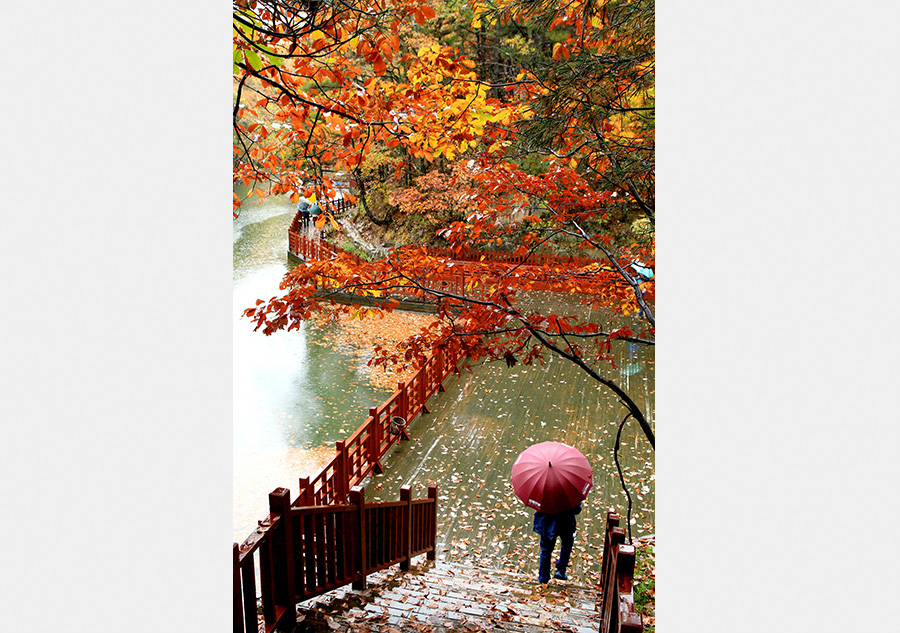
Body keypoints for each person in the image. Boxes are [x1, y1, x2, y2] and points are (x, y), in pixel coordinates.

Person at [532, 503, 581, 583]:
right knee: (567, 543)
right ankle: (561, 570)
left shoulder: (544, 495)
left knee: (546, 549)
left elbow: (537, 505)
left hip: (546, 522)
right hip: (566, 521)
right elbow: (577, 510)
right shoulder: (570, 495)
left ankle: (543, 578)